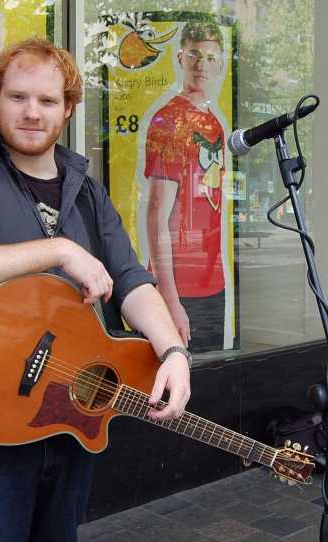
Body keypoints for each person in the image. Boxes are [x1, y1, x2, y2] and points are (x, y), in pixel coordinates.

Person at [0, 37, 191, 542]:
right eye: (18, 97)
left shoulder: (86, 188)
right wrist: (60, 250)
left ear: (67, 109)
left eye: (47, 101)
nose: (32, 112)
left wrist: (171, 350)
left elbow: (130, 279)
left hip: (66, 411)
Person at [143, 21, 229, 353]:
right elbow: (156, 217)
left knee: (212, 388)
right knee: (175, 393)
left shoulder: (212, 121)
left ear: (220, 64)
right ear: (180, 57)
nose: (201, 65)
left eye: (210, 57)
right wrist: (169, 298)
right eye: (194, 54)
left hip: (212, 283)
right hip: (180, 291)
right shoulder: (169, 121)